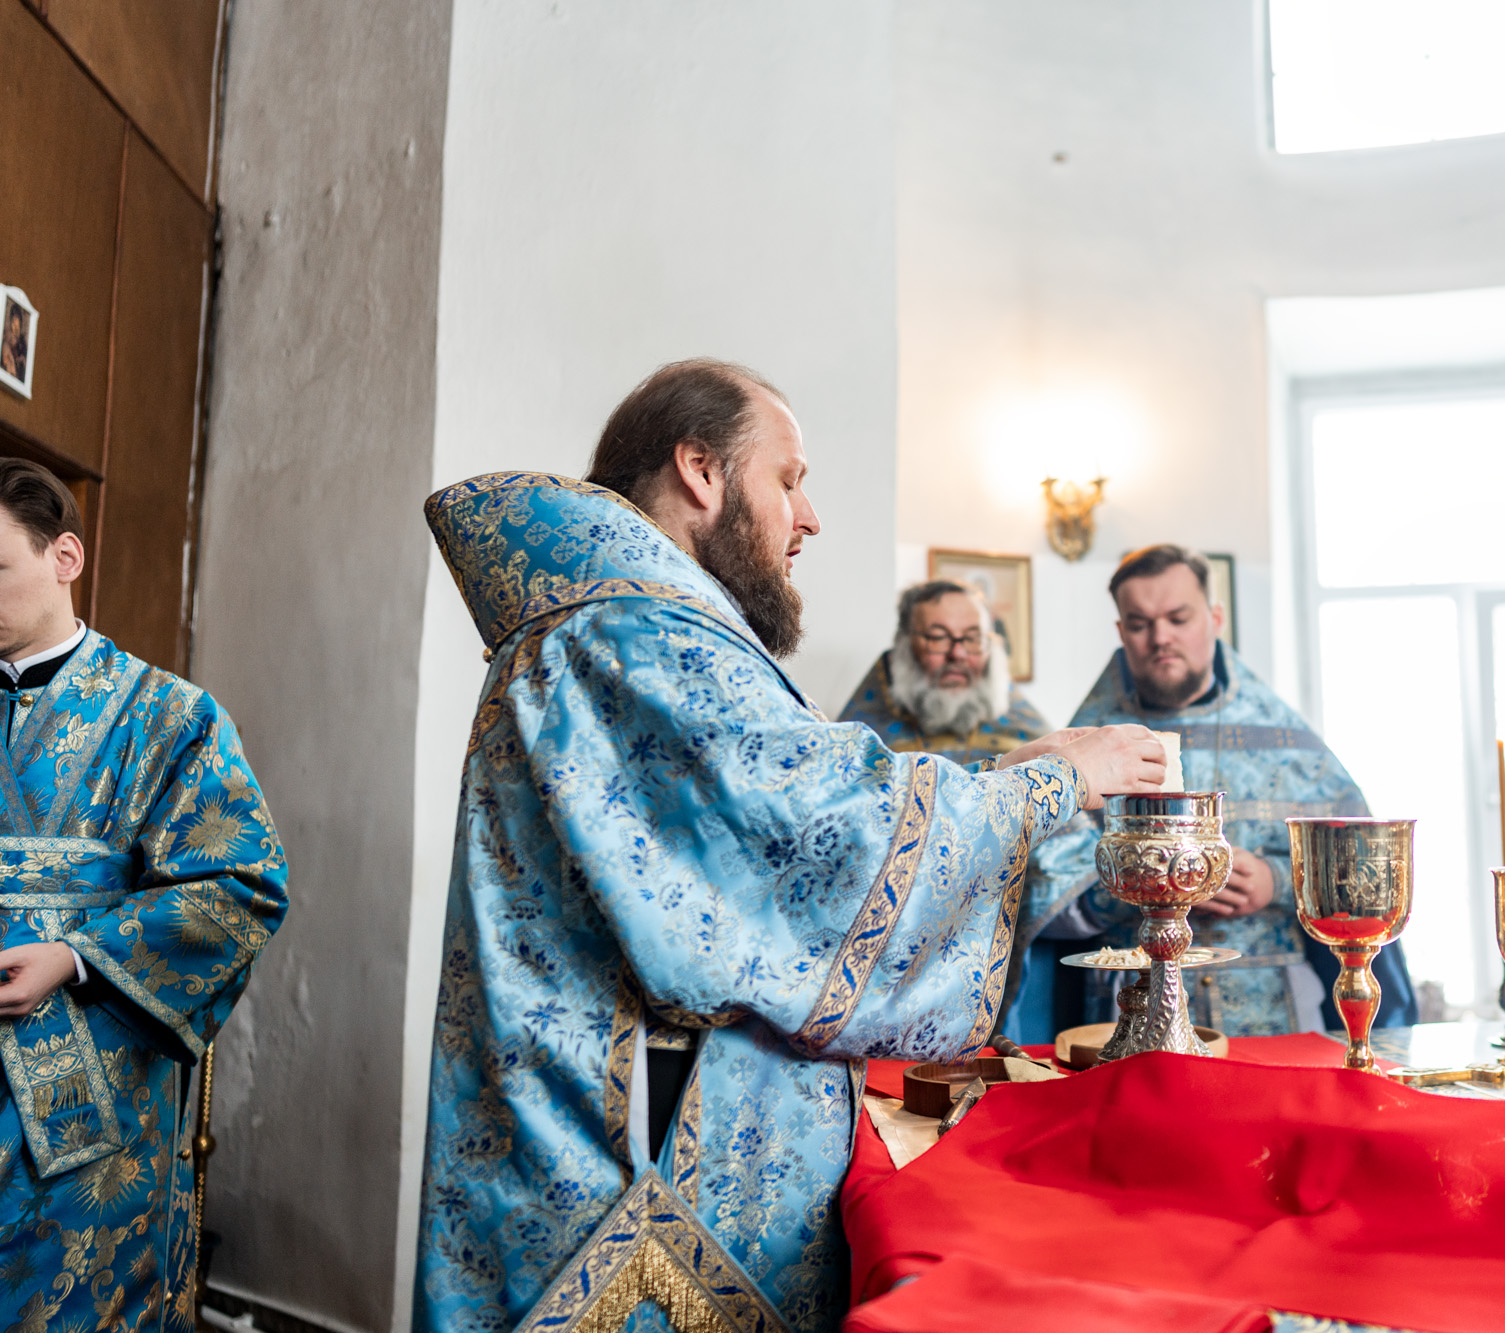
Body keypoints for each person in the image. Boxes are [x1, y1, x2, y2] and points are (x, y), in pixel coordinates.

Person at [414, 358, 1162, 1333]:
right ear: (700, 470)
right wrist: (1054, 778)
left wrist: (1010, 785)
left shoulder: (628, 622)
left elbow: (787, 819)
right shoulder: (635, 630)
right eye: (789, 478)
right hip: (636, 1180)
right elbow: (819, 838)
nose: (807, 517)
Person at [0, 459, 287, 1333]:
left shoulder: (169, 715)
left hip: (86, 1078)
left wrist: (74, 957)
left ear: (65, 557)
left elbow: (239, 883)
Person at [1009, 544, 1415, 1043]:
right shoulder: (1087, 746)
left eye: (1178, 618)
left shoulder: (1287, 742)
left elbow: (1363, 874)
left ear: (1215, 618)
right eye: (1140, 624)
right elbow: (1037, 890)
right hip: (1129, 1013)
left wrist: (1275, 881)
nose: (1161, 637)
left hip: (1268, 1015)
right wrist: (1157, 884)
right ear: (1121, 631)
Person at [837, 579, 1050, 768]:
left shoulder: (1031, 740)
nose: (957, 654)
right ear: (905, 645)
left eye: (972, 638)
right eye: (938, 637)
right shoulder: (856, 746)